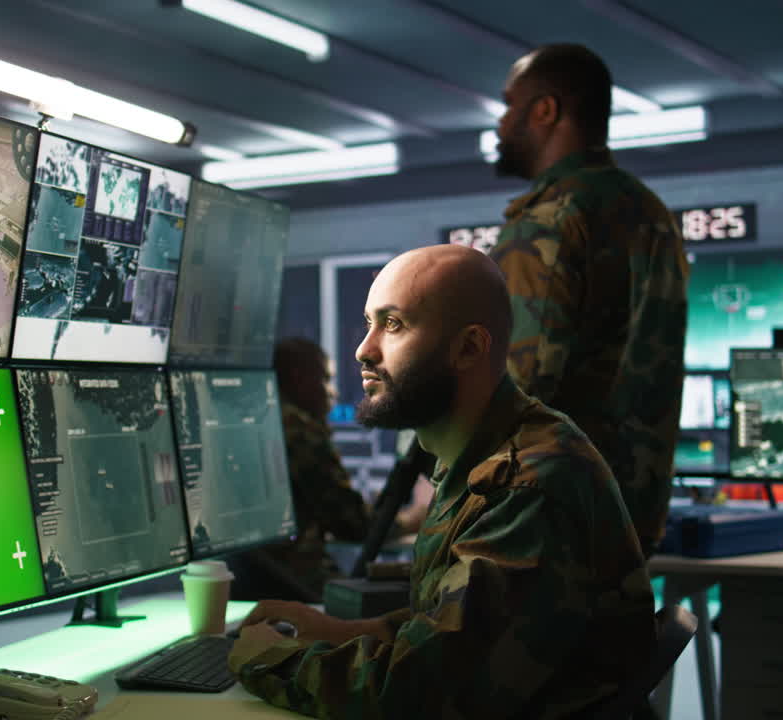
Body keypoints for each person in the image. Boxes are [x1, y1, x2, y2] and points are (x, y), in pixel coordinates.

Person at [228, 244, 654, 719]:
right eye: (369, 323)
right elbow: (449, 631)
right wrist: (338, 631)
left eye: (393, 325)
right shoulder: (480, 456)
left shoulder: (527, 484)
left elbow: (419, 693)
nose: (363, 350)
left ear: (469, 347)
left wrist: (266, 657)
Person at [490, 43, 689, 557]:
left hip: (548, 517)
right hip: (630, 515)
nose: (501, 122)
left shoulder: (551, 217)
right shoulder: (650, 211)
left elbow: (517, 389)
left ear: (545, 110)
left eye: (509, 105)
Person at [233, 338, 431, 602]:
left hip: (251, 581)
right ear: (298, 377)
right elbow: (354, 525)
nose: (332, 392)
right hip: (296, 585)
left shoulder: (254, 422)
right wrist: (415, 517)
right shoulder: (297, 429)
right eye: (325, 379)